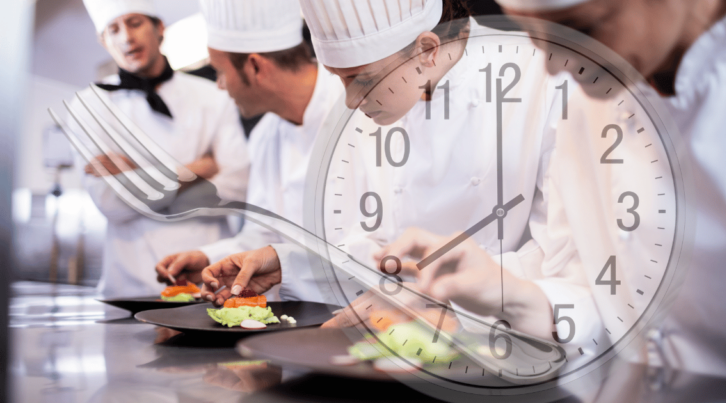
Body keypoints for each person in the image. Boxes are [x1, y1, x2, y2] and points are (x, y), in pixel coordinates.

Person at [200, 0, 604, 352]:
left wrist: (437, 300)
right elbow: (381, 251)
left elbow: (569, 270)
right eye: (340, 79)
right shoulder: (374, 113)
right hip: (402, 354)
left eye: (363, 79)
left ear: (426, 49)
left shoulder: (546, 83)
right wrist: (290, 265)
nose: (351, 100)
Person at [496, 0, 726, 385]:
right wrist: (514, 295)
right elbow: (596, 293)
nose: (553, 67)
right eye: (530, 34)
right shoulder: (587, 111)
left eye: (580, 30)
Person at [154, 0, 345, 304]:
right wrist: (207, 257)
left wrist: (284, 261)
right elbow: (263, 236)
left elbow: (376, 245)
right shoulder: (265, 134)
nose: (219, 86)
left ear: (256, 66)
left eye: (219, 72)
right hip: (296, 323)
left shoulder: (363, 109)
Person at [73, 0, 249, 298]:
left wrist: (138, 179)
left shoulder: (214, 95)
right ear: (104, 41)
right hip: (129, 286)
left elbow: (237, 188)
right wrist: (195, 170)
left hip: (210, 279)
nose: (127, 37)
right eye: (114, 29)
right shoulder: (89, 105)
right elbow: (110, 203)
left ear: (159, 28)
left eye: (135, 23)